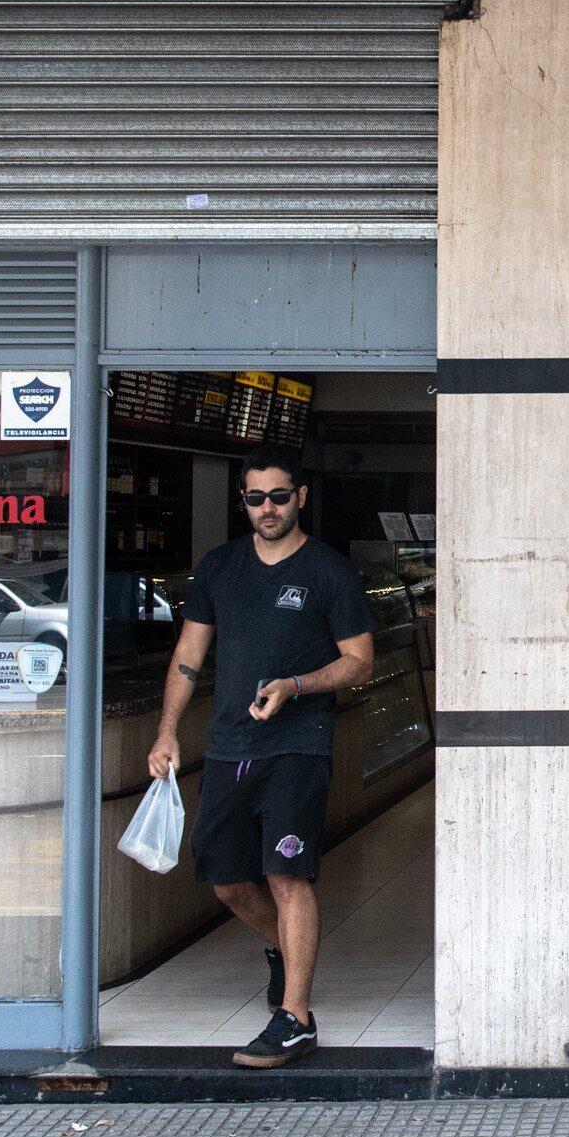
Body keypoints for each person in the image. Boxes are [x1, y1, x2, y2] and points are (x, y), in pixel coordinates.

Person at [148, 446, 376, 1069]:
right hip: (228, 745)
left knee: (286, 875)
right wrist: (168, 731)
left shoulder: (329, 572)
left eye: (279, 496)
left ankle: (296, 1018)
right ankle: (284, 951)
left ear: (301, 496)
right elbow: (189, 659)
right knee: (223, 878)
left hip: (298, 747)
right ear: (243, 501)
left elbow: (360, 660)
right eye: (256, 498)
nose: (268, 508)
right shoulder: (220, 568)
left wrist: (295, 685)